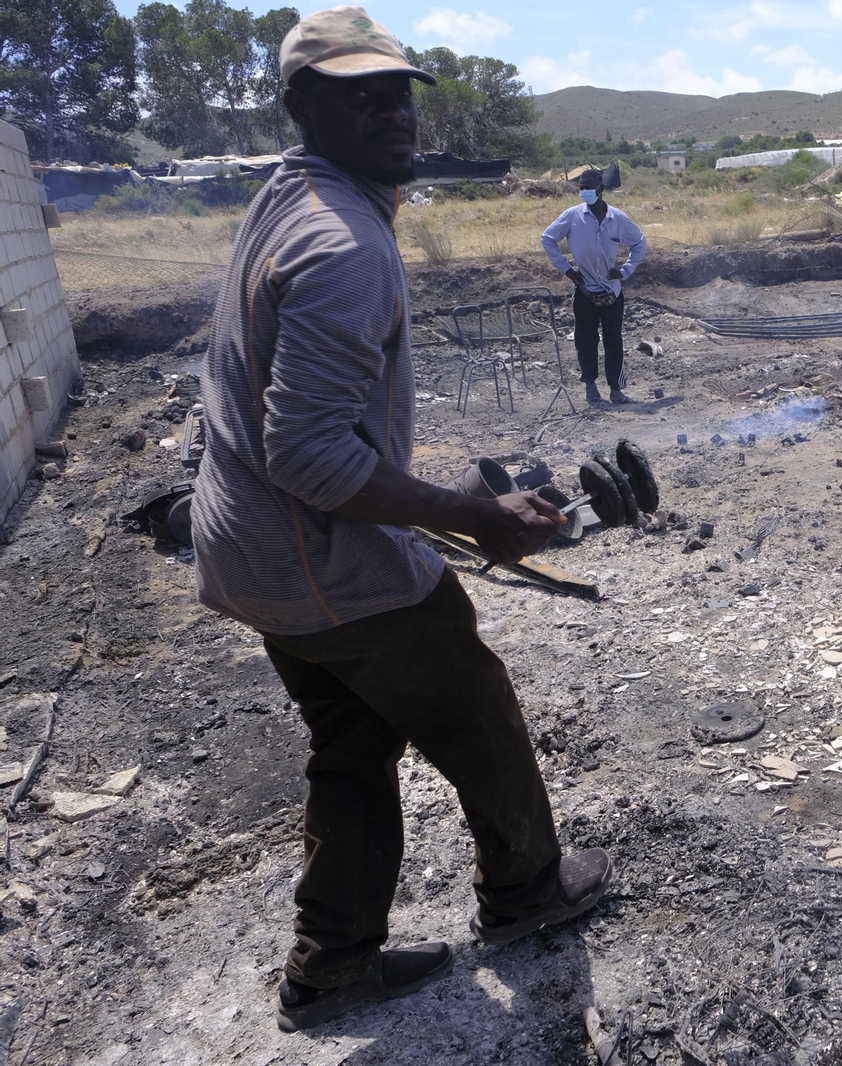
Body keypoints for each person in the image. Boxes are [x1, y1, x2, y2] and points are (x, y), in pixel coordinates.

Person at [189, 6, 612, 1033]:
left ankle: (331, 961)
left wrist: (436, 498)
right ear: (300, 105)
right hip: (315, 557)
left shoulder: (290, 197)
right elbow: (311, 453)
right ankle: (527, 894)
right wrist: (473, 517)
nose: (391, 114)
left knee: (353, 736)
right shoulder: (344, 243)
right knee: (477, 709)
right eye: (357, 95)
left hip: (245, 549)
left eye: (396, 92)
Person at [542, 170, 648, 404]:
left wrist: (625, 270)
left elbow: (640, 244)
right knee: (585, 340)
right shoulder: (572, 217)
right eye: (581, 188)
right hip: (584, 291)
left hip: (612, 292)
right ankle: (590, 387)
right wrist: (567, 270)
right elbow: (547, 238)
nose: (584, 192)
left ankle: (616, 390)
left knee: (614, 340)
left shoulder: (618, 219)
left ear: (601, 188)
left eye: (589, 187)